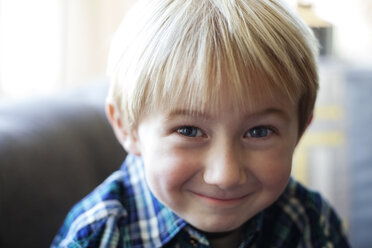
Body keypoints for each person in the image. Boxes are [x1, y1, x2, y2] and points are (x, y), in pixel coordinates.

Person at [52, 0, 351, 247]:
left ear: (299, 130)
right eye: (189, 131)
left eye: (259, 131)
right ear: (126, 128)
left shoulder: (310, 222)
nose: (225, 175)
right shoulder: (97, 236)